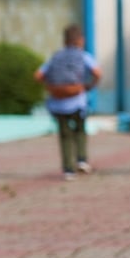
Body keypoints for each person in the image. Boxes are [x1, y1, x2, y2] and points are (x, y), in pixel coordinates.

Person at [35, 24, 102, 181]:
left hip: (58, 102)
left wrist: (51, 87)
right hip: (77, 100)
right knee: (80, 129)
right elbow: (97, 72)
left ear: (64, 40)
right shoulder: (83, 56)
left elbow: (38, 75)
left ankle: (68, 169)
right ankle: (82, 159)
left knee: (65, 135)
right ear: (81, 40)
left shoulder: (56, 56)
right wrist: (89, 86)